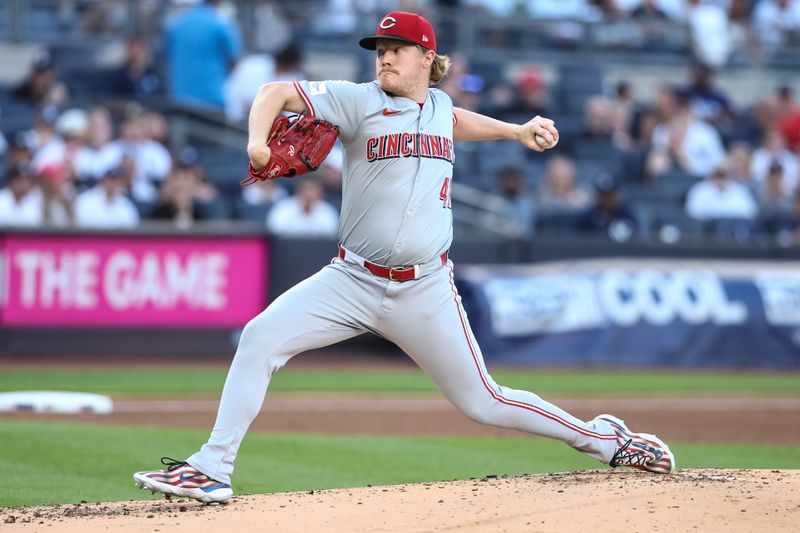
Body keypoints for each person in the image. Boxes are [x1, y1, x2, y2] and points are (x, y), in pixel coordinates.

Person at [133, 11, 676, 504]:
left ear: (426, 59)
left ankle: (605, 440)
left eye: (396, 48)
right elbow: (274, 92)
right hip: (350, 279)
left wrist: (515, 130)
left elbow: (457, 119)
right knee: (259, 338)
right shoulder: (356, 98)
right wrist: (257, 141)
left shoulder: (438, 106)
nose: (385, 56)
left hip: (425, 289)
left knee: (484, 401)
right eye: (379, 49)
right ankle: (211, 467)